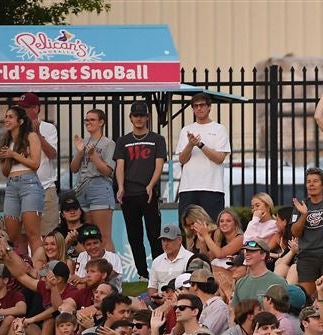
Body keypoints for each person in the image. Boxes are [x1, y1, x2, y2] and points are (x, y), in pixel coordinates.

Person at [115, 101, 167, 280]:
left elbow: (159, 164)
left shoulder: (157, 139)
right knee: (134, 236)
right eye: (136, 115)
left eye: (142, 115)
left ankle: (159, 273)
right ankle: (143, 274)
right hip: (129, 194)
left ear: (147, 117)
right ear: (130, 118)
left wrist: (151, 185)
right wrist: (121, 187)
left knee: (154, 235)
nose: (139, 118)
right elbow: (119, 165)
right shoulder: (123, 141)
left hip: (148, 193)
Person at [0, 106, 45, 260]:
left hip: (29, 183)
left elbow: (35, 163)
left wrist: (13, 154)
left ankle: (39, 269)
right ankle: (20, 268)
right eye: (6, 116)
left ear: (21, 121)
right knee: (12, 234)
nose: (6, 120)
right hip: (11, 184)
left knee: (32, 233)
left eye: (10, 117)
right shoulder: (6, 140)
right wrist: (5, 159)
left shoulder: (31, 136)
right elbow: (5, 172)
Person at [70, 109, 117, 259]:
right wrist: (80, 151)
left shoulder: (108, 143)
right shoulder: (83, 142)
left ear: (101, 122)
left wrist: (92, 155)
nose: (88, 122)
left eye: (92, 120)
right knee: (87, 236)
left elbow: (107, 171)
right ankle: (92, 270)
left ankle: (111, 272)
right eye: (86, 120)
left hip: (99, 186)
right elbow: (74, 168)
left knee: (103, 235)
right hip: (82, 189)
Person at [175, 93, 230, 221]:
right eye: (195, 106)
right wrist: (190, 144)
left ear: (209, 107)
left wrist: (200, 145)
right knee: (187, 228)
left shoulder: (219, 129)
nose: (199, 108)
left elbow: (219, 158)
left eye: (202, 105)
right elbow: (182, 160)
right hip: (188, 187)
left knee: (212, 227)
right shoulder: (186, 130)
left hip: (212, 187)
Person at [289, 168, 323, 298]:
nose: (311, 184)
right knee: (306, 299)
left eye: (315, 181)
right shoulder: (301, 205)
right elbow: (295, 232)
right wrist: (303, 215)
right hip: (307, 256)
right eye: (308, 181)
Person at [13, 94, 59, 236]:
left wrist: (37, 134)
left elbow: (52, 154)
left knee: (49, 235)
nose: (21, 111)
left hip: (45, 188)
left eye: (25, 108)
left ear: (36, 109)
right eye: (20, 108)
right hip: (21, 188)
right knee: (21, 236)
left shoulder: (48, 128)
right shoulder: (14, 129)